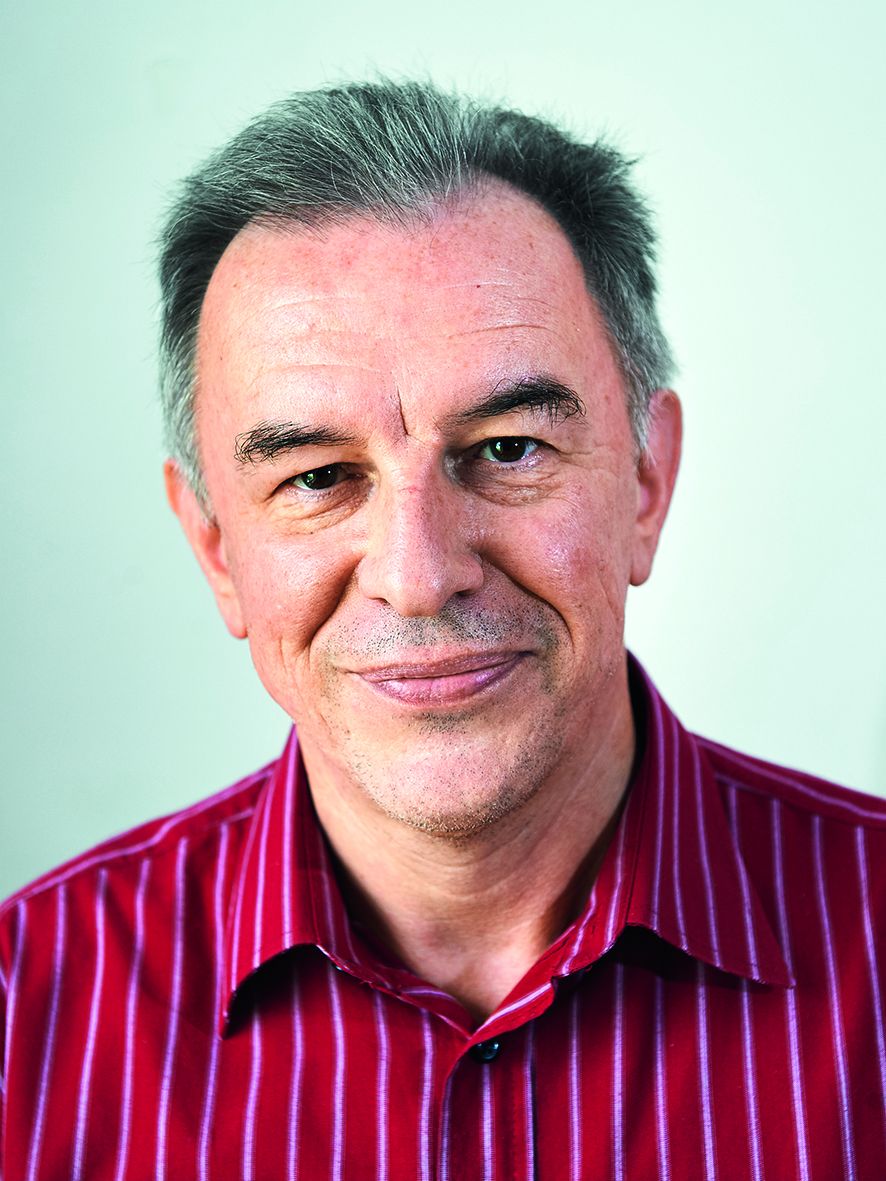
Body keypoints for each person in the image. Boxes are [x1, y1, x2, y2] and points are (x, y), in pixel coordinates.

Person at [0, 79, 883, 1181]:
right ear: (216, 545)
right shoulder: (21, 1017)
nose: (418, 577)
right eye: (317, 476)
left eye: (508, 449)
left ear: (646, 480)